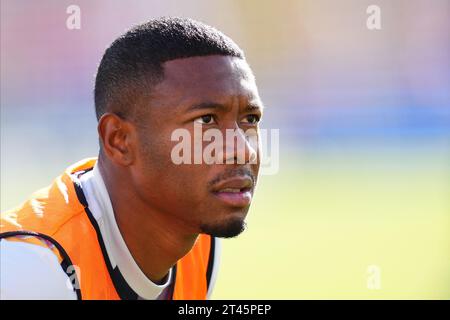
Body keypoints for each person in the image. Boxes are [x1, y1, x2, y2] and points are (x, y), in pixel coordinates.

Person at [0, 16, 263, 300]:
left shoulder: (199, 241)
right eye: (206, 120)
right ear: (119, 140)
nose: (243, 150)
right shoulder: (31, 272)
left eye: (249, 119)